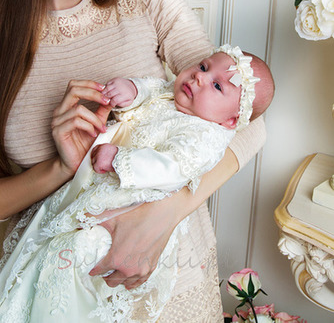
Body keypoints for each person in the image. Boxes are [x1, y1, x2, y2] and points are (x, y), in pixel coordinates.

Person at [0, 0, 267, 322]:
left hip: (172, 288)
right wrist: (60, 169)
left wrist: (164, 215)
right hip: (57, 293)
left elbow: (248, 113)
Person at [0, 46, 274, 322]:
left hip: (128, 209)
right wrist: (132, 90)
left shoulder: (206, 135)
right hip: (93, 192)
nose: (199, 78)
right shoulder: (175, 94)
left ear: (230, 121)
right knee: (48, 252)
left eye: (217, 85)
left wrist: (122, 159)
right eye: (203, 67)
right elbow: (154, 88)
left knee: (78, 260)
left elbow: (173, 167)